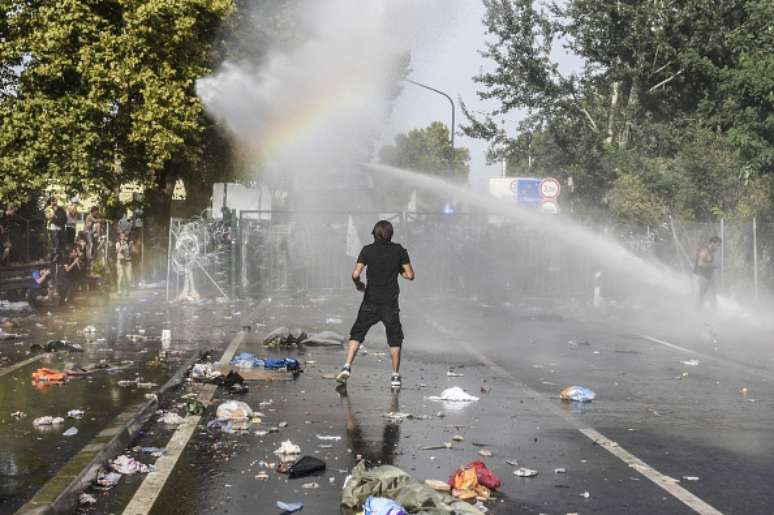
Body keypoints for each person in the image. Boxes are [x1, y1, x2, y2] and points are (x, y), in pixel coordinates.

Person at [336, 220, 414, 389]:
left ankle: (347, 366)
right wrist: (398, 269)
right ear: (391, 234)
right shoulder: (399, 251)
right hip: (390, 303)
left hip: (370, 300)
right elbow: (410, 275)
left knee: (357, 333)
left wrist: (359, 285)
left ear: (375, 233)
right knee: (395, 338)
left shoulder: (367, 250)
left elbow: (355, 273)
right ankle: (395, 376)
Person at [694, 235, 721, 309]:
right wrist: (714, 265)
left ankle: (711, 314)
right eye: (717, 245)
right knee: (700, 298)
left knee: (711, 296)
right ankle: (696, 313)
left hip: (706, 278)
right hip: (700, 277)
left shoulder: (711, 252)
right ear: (712, 243)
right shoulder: (704, 251)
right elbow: (700, 264)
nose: (718, 247)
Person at [116, 231, 133, 295]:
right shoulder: (118, 243)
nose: (123, 237)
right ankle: (119, 290)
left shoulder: (128, 243)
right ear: (120, 237)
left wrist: (130, 245)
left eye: (124, 236)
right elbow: (118, 251)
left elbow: (130, 252)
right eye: (121, 236)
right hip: (121, 261)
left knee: (128, 276)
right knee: (121, 276)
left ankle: (127, 290)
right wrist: (123, 245)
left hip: (128, 261)